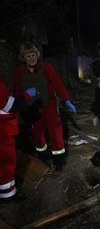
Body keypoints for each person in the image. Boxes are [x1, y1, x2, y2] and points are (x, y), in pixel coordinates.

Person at [13, 42, 77, 177]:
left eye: (33, 55)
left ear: (37, 55)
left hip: (50, 107)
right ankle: (43, 160)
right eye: (28, 56)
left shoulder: (46, 67)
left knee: (56, 135)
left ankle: (59, 163)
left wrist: (66, 100)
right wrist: (21, 104)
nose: (31, 58)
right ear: (23, 58)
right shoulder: (20, 71)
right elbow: (17, 90)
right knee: (38, 137)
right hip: (33, 110)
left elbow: (57, 84)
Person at [0, 76, 36, 201]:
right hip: (2, 131)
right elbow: (11, 105)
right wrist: (27, 95)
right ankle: (8, 195)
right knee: (6, 162)